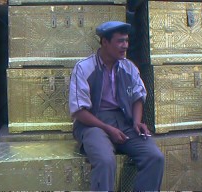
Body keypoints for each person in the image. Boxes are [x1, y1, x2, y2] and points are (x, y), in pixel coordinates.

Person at [69, 21, 164, 191]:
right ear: (105, 42)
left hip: (124, 123)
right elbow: (79, 111)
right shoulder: (84, 68)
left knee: (154, 157)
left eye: (126, 41)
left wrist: (136, 122)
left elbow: (138, 96)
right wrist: (107, 128)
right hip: (93, 124)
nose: (125, 46)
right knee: (105, 161)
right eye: (120, 41)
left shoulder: (129, 67)